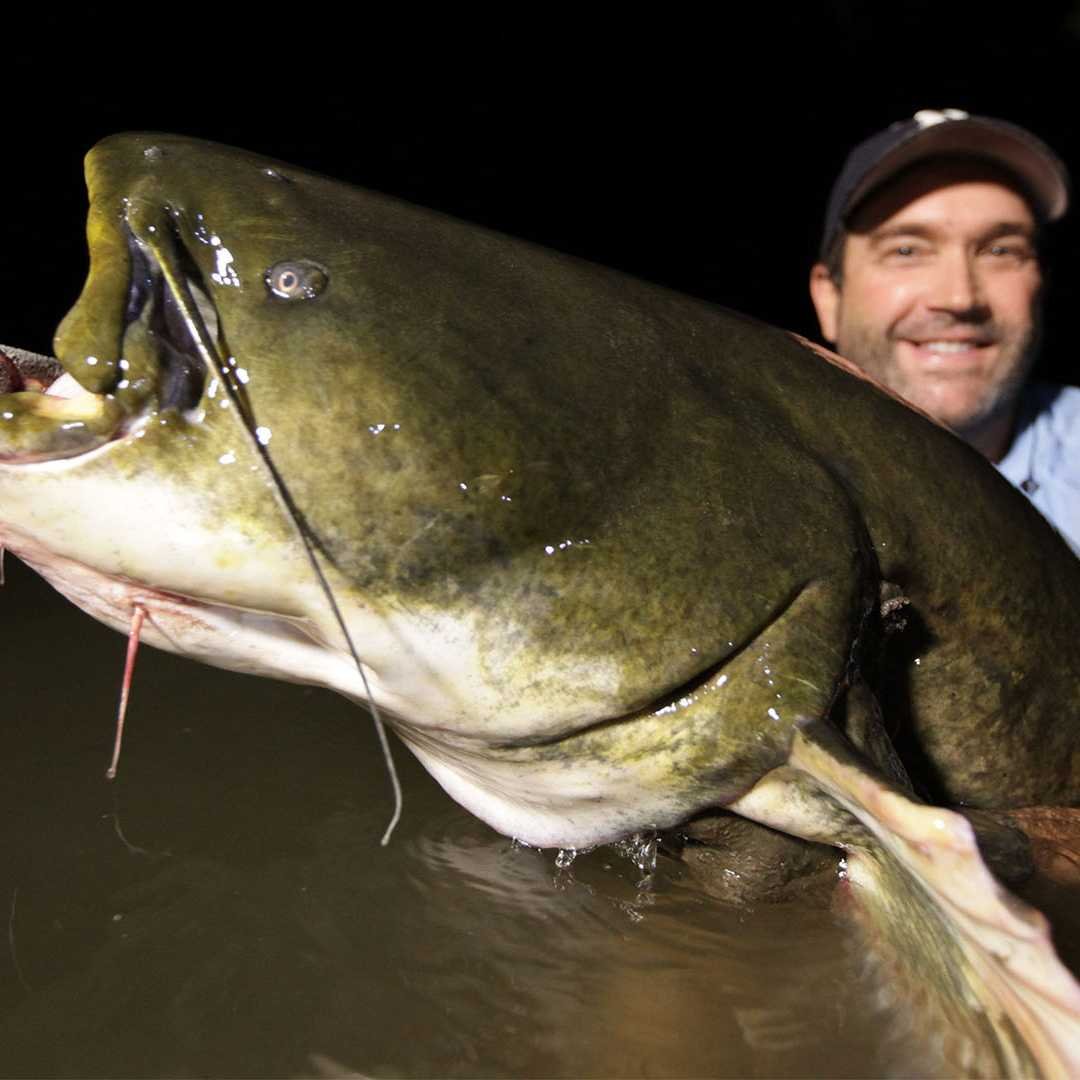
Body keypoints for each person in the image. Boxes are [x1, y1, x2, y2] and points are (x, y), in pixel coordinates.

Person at [809, 109, 1080, 555]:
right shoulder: (758, 478)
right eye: (907, 250)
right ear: (829, 298)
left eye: (1000, 250)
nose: (959, 297)